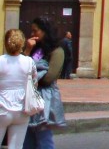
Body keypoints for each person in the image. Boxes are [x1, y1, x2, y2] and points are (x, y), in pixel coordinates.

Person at [23, 17, 67, 149]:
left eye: (35, 31)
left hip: (44, 99)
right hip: (30, 97)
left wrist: (31, 77)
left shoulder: (57, 51)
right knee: (28, 136)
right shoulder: (36, 49)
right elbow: (21, 68)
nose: (32, 34)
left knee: (43, 137)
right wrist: (27, 51)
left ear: (45, 31)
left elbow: (49, 77)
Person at [0, 29, 37, 149]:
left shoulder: (1, 61)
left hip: (2, 108)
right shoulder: (29, 61)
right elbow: (34, 84)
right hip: (22, 110)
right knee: (16, 147)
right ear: (22, 43)